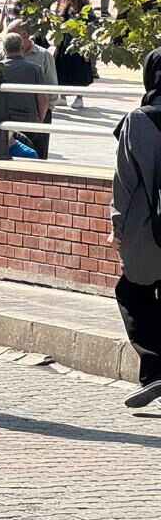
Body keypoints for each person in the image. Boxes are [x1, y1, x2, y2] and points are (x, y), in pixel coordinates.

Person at [113, 48, 161, 410]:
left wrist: (118, 230)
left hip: (149, 230)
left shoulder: (139, 120)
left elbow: (125, 185)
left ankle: (154, 366)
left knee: (132, 292)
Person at [0, 31, 47, 157]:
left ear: (4, 50)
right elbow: (43, 99)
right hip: (29, 123)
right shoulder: (35, 69)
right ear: (22, 48)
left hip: (3, 125)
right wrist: (40, 119)